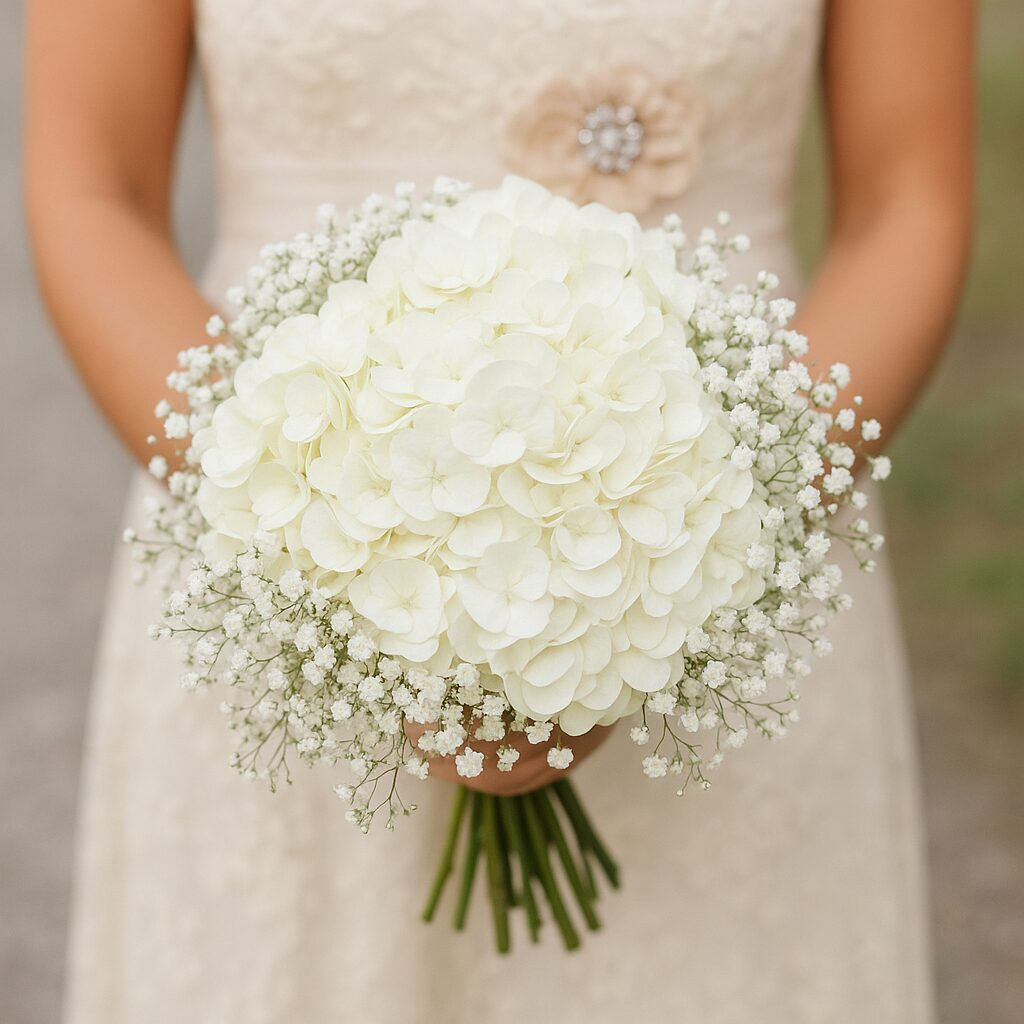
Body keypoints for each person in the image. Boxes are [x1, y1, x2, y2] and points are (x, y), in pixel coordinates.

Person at [25, 1, 973, 1021]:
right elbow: (93, 189)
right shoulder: (292, 546)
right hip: (281, 558)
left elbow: (905, 203)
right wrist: (308, 536)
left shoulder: (729, 535)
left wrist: (692, 569)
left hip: (727, 531)